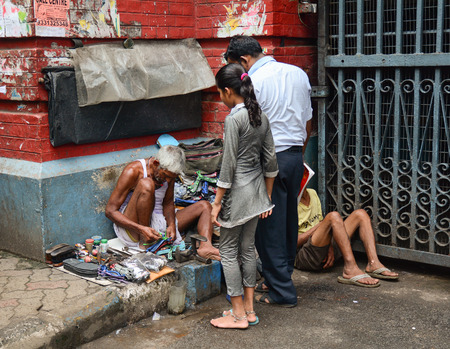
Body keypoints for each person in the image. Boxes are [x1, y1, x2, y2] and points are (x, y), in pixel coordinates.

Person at [224, 35, 312, 306]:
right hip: (295, 156)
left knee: (266, 227)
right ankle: (280, 277)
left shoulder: (253, 82)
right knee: (287, 222)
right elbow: (308, 120)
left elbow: (250, 130)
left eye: (236, 68)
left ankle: (282, 292)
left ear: (243, 61)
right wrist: (299, 154)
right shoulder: (298, 74)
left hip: (268, 162)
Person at [210, 63, 278, 329]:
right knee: (248, 250)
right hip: (257, 194)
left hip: (236, 195)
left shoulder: (233, 119)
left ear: (228, 90)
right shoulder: (260, 115)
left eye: (219, 92)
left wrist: (216, 203)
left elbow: (227, 167)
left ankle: (237, 315)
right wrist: (266, 198)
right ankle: (249, 309)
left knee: (227, 250)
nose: (219, 97)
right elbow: (270, 161)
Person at [105, 145, 220, 261]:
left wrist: (171, 225)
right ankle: (146, 243)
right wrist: (141, 229)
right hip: (135, 229)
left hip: (158, 224)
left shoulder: (168, 174)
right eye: (166, 176)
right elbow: (110, 211)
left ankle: (206, 247)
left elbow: (168, 203)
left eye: (172, 178)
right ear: (156, 163)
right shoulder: (133, 171)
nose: (168, 181)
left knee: (204, 206)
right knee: (147, 184)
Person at [293, 188, 399, 286]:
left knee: (360, 214)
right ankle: (350, 268)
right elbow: (292, 242)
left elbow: (322, 227)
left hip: (323, 247)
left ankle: (373, 263)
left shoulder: (312, 193)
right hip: (305, 255)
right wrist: (319, 227)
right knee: (333, 216)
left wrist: (328, 243)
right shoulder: (289, 200)